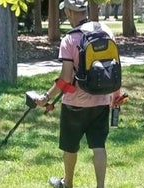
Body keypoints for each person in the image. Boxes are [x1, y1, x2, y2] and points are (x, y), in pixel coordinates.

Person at [35, 0, 122, 187]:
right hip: (101, 101)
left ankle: (68, 183)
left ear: (68, 12)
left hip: (74, 104)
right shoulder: (107, 31)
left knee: (70, 146)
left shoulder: (70, 39)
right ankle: (100, 186)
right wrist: (116, 95)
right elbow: (114, 68)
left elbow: (66, 78)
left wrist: (46, 97)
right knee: (99, 146)